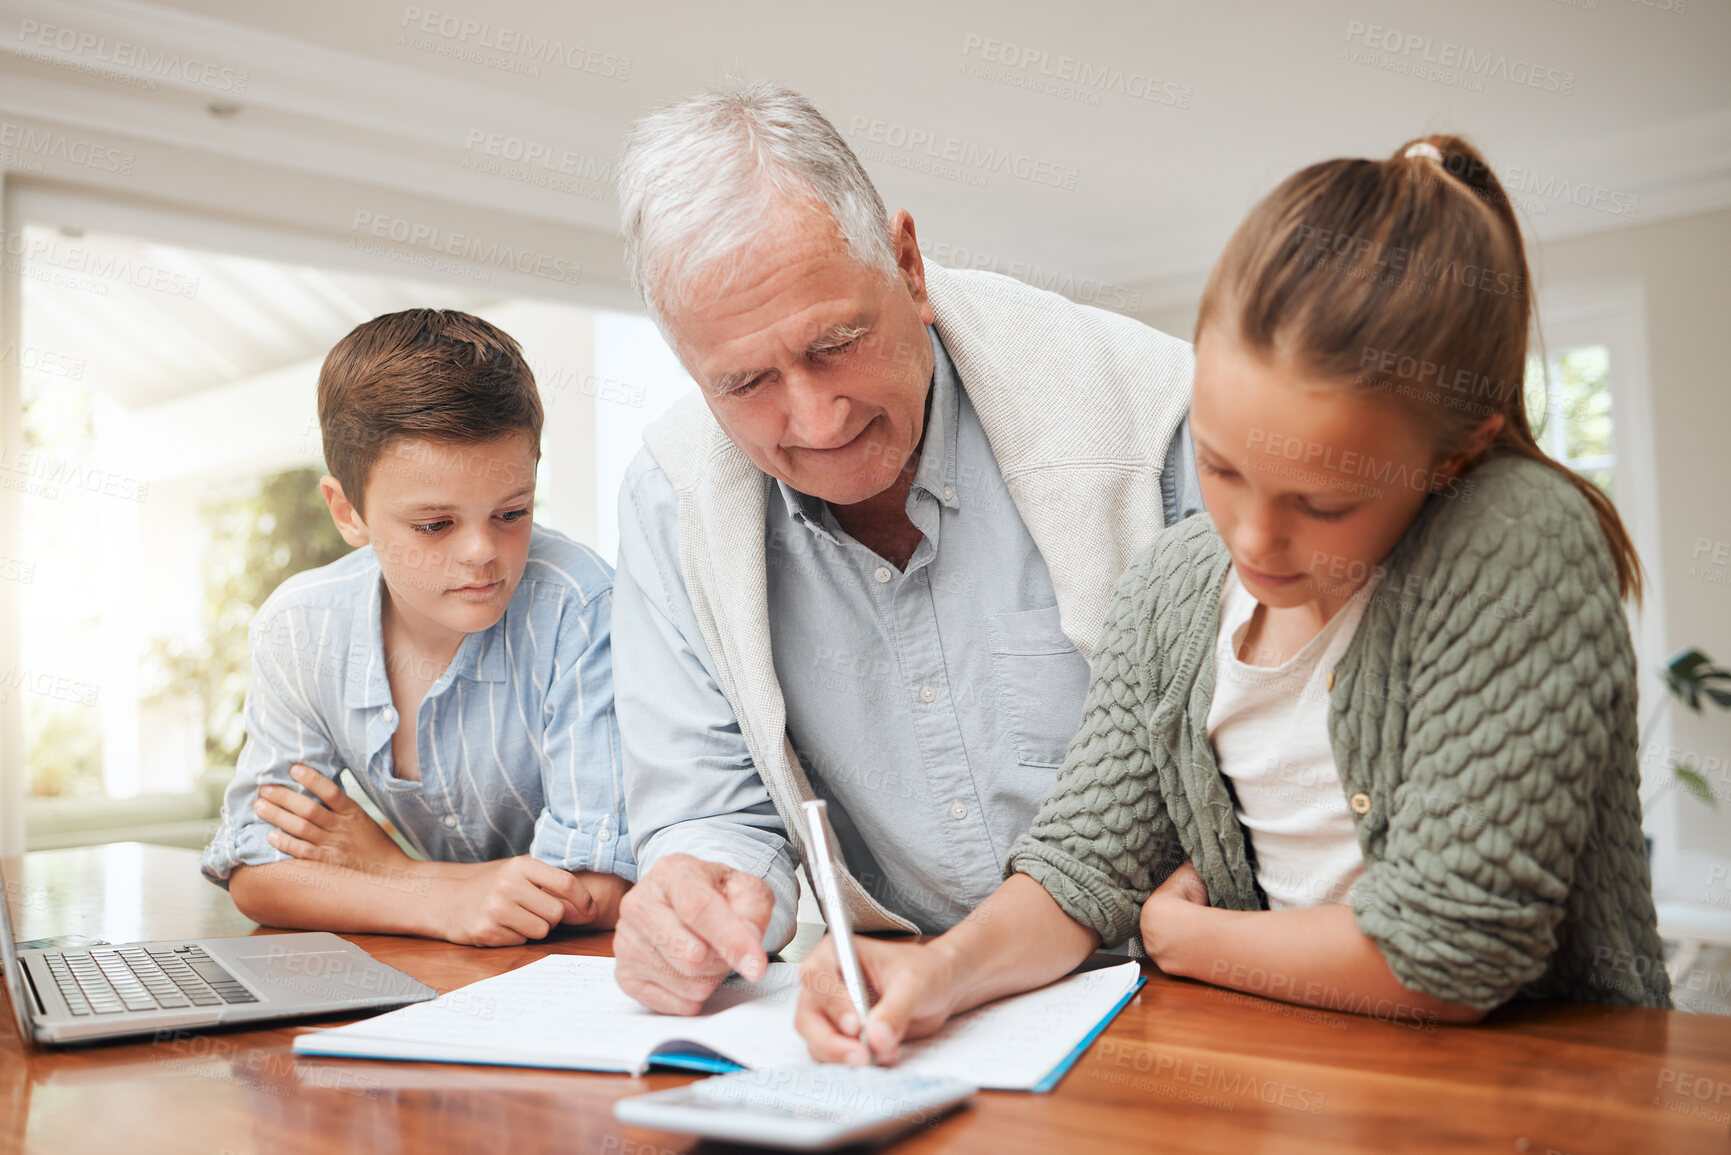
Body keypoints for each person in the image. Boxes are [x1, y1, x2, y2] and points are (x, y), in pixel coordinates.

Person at [795, 135, 1673, 1064]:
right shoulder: (1175, 584)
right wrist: (939, 971)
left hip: (1534, 1101)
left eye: (1323, 501)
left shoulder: (1514, 539)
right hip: (1280, 1092)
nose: (1251, 539)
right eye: (1219, 465)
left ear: (1450, 456)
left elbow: (1444, 955)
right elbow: (1079, 868)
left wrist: (1187, 939)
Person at [608, 82, 1199, 1014]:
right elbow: (714, 810)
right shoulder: (670, 498)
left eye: (836, 342)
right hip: (896, 1004)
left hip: (1188, 990)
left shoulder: (1153, 414)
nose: (816, 417)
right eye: (746, 381)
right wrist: (699, 897)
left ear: (909, 266)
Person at [201, 309, 634, 946]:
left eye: (512, 512)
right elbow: (260, 872)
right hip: (447, 975)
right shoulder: (299, 628)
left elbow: (598, 888)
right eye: (435, 525)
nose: (482, 552)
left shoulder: (581, 609)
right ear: (348, 512)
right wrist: (433, 897)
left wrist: (388, 872)